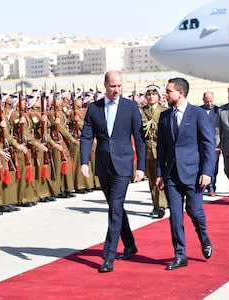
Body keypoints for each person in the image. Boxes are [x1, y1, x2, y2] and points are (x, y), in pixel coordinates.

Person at [80, 70, 146, 273]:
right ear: (105, 86)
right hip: (103, 165)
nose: (116, 90)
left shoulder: (131, 107)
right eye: (112, 86)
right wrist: (84, 162)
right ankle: (130, 244)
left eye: (119, 86)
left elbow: (139, 138)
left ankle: (108, 256)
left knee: (115, 208)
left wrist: (141, 167)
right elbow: (86, 137)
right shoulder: (94, 108)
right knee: (116, 207)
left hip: (123, 165)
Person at [156, 77, 214, 270]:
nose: (166, 94)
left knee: (195, 212)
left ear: (180, 93)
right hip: (172, 174)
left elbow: (208, 144)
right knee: (175, 216)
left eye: (169, 91)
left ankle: (204, 238)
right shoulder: (164, 117)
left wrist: (207, 172)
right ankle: (180, 255)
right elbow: (161, 148)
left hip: (194, 173)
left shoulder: (197, 114)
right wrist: (160, 174)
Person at [140, 84, 168, 218]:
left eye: (154, 94)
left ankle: (162, 205)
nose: (151, 97)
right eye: (149, 94)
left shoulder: (164, 111)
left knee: (160, 177)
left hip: (160, 148)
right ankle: (155, 205)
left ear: (158, 96)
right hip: (147, 149)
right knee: (151, 179)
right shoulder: (142, 111)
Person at [200, 91, 221, 196]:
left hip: (214, 145)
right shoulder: (198, 110)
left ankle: (212, 187)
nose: (209, 104)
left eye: (211, 101)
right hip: (201, 144)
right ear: (203, 100)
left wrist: (219, 146)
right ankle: (203, 186)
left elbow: (220, 130)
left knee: (213, 167)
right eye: (207, 101)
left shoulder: (218, 111)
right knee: (201, 165)